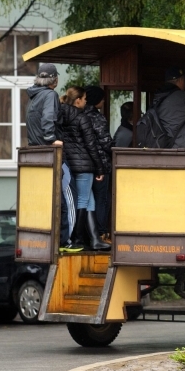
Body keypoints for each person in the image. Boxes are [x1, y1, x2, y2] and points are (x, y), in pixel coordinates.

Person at [26, 64, 81, 252]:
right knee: (69, 194)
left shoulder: (34, 98)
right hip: (53, 154)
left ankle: (57, 239)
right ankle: (67, 240)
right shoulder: (49, 95)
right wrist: (52, 140)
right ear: (54, 80)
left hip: (38, 153)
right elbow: (48, 119)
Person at [58, 87, 110, 251]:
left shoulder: (60, 115)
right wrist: (99, 168)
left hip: (70, 163)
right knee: (83, 200)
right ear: (78, 100)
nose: (87, 102)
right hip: (84, 164)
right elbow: (91, 145)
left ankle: (94, 238)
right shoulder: (82, 118)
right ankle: (77, 237)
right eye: (85, 99)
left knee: (89, 199)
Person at [83, 87, 114, 241]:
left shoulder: (80, 114)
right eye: (102, 99)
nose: (104, 101)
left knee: (87, 200)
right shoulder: (97, 118)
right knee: (103, 198)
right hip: (101, 164)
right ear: (97, 100)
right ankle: (101, 232)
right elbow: (105, 142)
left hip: (83, 164)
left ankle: (88, 233)